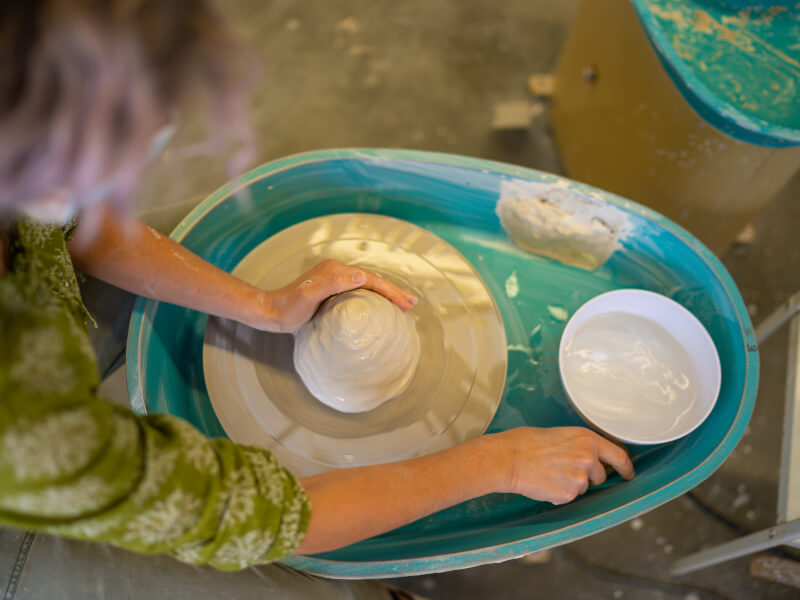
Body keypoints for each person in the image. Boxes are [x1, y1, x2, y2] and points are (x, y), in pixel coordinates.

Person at [0, 0, 634, 594]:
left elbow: (76, 223)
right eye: (117, 145)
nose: (141, 160)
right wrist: (501, 464)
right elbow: (257, 514)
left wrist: (263, 305)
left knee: (214, 234)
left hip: (31, 295)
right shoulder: (27, 422)